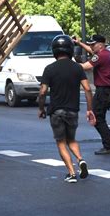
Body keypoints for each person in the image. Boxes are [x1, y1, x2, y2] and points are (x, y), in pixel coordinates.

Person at [38, 35, 96, 183]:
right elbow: (88, 89)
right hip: (73, 111)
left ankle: (71, 173)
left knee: (61, 142)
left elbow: (43, 91)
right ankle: (80, 159)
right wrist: (89, 109)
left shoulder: (49, 69)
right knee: (72, 139)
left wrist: (41, 108)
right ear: (70, 49)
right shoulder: (77, 68)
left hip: (56, 111)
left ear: (54, 50)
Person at [74, 34, 110, 155]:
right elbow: (92, 52)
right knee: (99, 116)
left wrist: (68, 63)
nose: (91, 46)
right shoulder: (107, 54)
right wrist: (79, 43)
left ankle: (109, 145)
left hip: (103, 90)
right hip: (107, 89)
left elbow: (85, 66)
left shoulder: (101, 56)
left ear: (100, 44)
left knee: (96, 117)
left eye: (93, 44)